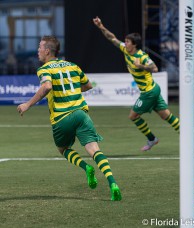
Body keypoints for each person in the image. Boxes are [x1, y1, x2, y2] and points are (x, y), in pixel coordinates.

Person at [17, 35, 122, 201]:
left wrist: (27, 104)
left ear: (47, 51)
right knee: (95, 150)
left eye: (39, 47)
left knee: (63, 149)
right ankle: (113, 183)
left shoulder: (44, 69)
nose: (37, 51)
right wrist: (71, 91)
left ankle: (86, 168)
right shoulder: (73, 66)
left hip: (62, 118)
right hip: (81, 114)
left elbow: (47, 86)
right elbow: (88, 85)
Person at [92, 16, 180, 151]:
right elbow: (112, 38)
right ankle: (187, 136)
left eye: (127, 42)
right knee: (166, 116)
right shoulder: (125, 50)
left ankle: (152, 139)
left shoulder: (142, 57)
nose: (125, 43)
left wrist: (141, 67)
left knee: (133, 116)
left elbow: (155, 68)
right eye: (125, 41)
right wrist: (100, 26)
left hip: (149, 92)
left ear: (134, 45)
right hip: (153, 90)